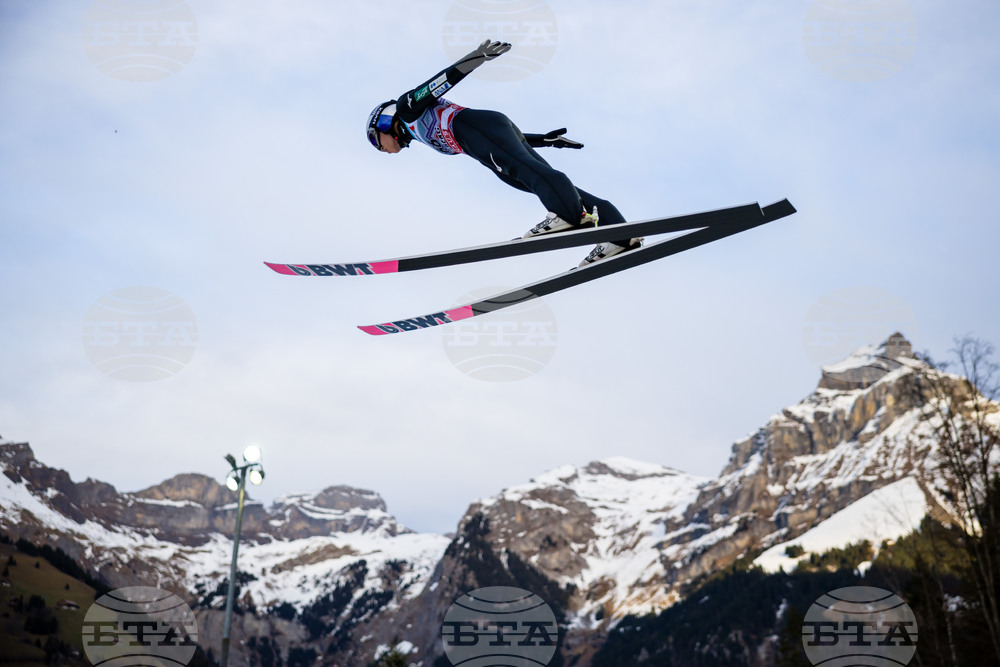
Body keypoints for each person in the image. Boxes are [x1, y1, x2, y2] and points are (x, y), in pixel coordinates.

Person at [366, 39, 642, 266]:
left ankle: (568, 216)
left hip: (476, 128)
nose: (384, 151)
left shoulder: (406, 109)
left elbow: (437, 84)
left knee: (527, 172)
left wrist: (475, 58)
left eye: (378, 143)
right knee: (534, 177)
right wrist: (545, 140)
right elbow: (508, 141)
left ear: (383, 123)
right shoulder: (415, 131)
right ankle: (622, 236)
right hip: (485, 136)